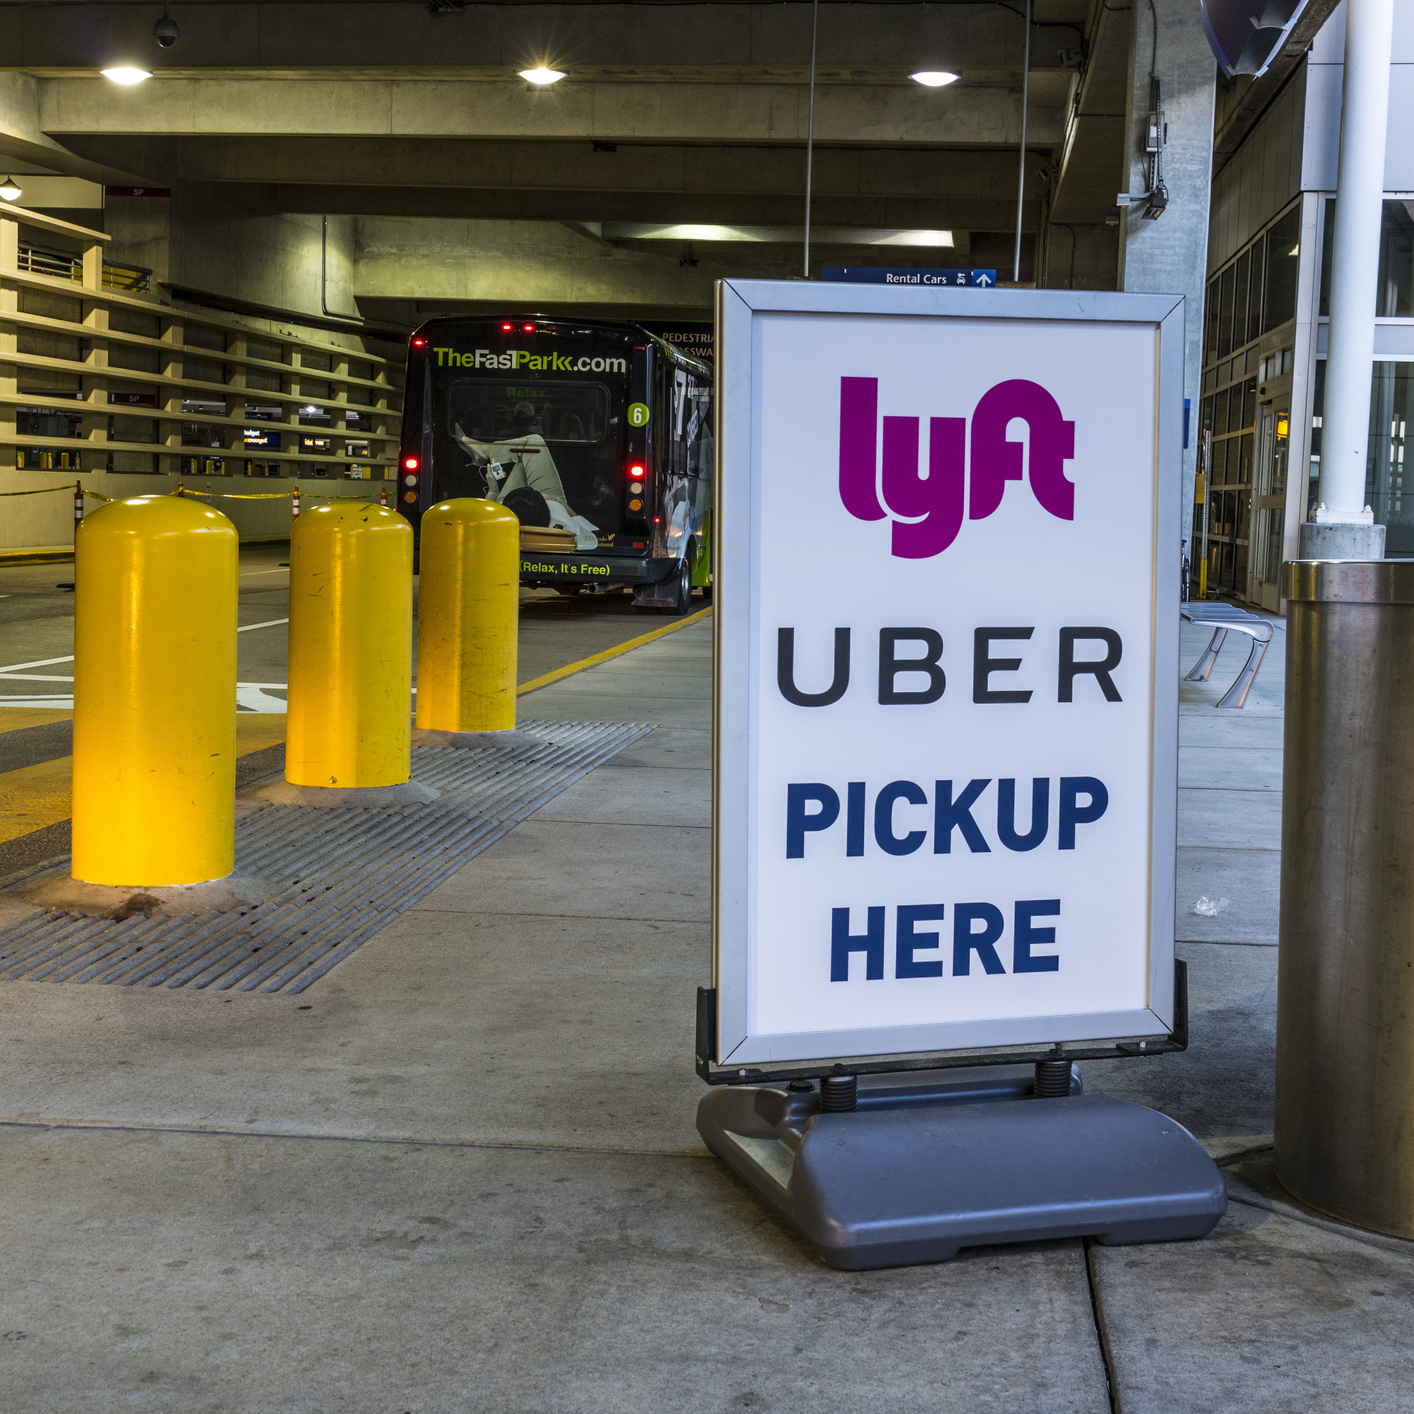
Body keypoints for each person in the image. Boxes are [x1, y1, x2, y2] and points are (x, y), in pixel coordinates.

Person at [453, 401, 598, 549]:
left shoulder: (561, 521)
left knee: (534, 442)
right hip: (518, 512)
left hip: (534, 511)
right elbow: (593, 540)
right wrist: (557, 500)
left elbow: (479, 526)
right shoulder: (499, 525)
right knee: (529, 451)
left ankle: (487, 451)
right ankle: (486, 451)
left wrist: (493, 491)